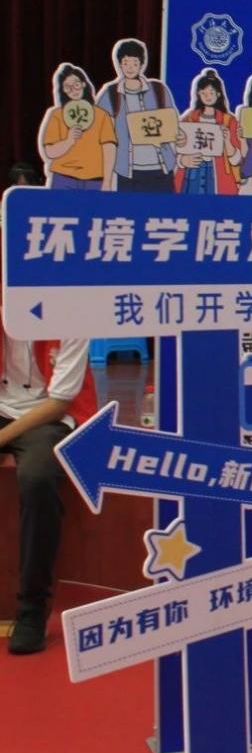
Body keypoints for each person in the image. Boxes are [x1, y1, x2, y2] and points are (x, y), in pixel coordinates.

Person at [1, 278, 98, 654]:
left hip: (50, 415)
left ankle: (32, 608)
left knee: (38, 478)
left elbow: (59, 401)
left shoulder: (71, 308)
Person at [95, 38, 178, 192]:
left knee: (164, 207)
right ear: (119, 64)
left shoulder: (158, 90)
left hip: (162, 166)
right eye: (126, 62)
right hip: (128, 170)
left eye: (135, 62)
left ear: (142, 64)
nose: (130, 67)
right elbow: (97, 125)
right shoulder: (111, 93)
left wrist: (177, 138)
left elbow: (173, 125)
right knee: (130, 207)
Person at [38, 63, 117, 191]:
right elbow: (50, 152)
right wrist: (69, 141)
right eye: (67, 87)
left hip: (94, 179)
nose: (73, 90)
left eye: (76, 85)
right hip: (64, 178)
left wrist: (107, 182)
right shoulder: (57, 115)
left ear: (83, 84)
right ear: (63, 90)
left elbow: (109, 148)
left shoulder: (101, 115)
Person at [173, 69, 242, 195]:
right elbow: (174, 149)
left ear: (218, 94)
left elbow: (236, 160)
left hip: (218, 174)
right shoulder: (189, 119)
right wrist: (182, 161)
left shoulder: (228, 120)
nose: (208, 96)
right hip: (193, 170)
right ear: (198, 94)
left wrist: (227, 141)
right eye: (204, 93)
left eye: (211, 93)